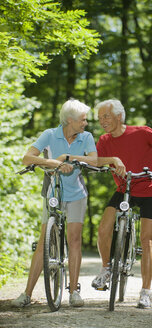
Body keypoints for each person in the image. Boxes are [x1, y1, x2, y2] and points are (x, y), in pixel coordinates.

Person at [92, 99, 152, 308]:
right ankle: (106, 269)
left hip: (150, 188)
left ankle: (145, 292)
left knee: (147, 240)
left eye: (106, 116)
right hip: (124, 189)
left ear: (119, 116)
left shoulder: (141, 132)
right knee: (104, 229)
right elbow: (94, 160)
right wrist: (112, 159)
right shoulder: (104, 140)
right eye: (100, 117)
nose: (102, 121)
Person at [12, 99, 97, 308]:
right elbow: (27, 158)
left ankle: (74, 291)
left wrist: (69, 158)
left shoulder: (86, 137)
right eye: (82, 120)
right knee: (43, 243)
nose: (85, 123)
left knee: (75, 239)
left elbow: (94, 160)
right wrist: (52, 162)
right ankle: (27, 293)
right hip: (53, 192)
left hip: (77, 194)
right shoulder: (50, 134)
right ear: (70, 120)